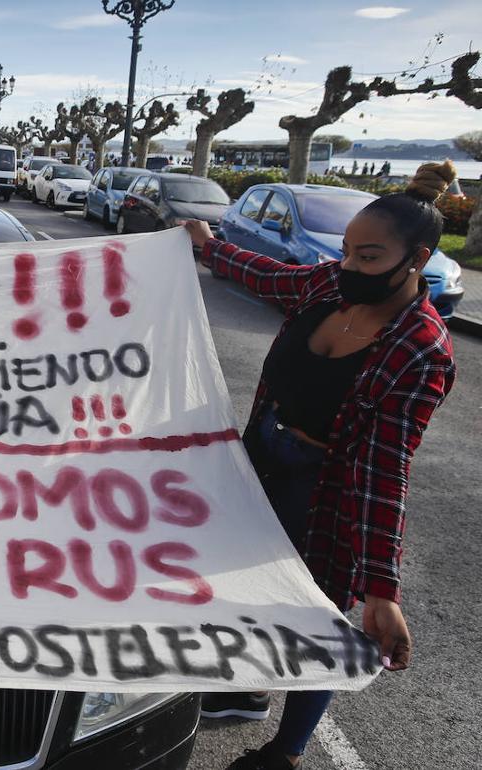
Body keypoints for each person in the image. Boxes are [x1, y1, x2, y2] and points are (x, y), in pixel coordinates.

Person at [183, 161, 458, 770]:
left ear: (417, 260)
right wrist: (210, 247)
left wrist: (382, 587)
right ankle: (247, 691)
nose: (352, 268)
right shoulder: (327, 285)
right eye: (349, 253)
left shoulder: (421, 350)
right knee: (239, 579)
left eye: (370, 258)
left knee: (320, 613)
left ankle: (286, 751)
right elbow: (270, 276)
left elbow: (387, 470)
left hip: (321, 485)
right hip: (260, 452)